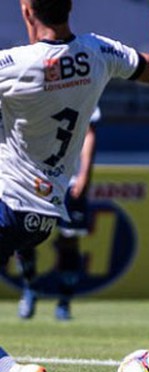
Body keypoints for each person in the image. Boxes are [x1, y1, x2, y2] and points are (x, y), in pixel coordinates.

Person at [0, 0, 149, 372]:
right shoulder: (98, 51)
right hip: (44, 213)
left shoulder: (12, 64)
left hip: (7, 202)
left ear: (27, 9)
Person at [16, 106, 101, 321]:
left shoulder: (85, 80)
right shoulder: (30, 82)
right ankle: (29, 288)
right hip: (33, 177)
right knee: (23, 238)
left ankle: (64, 302)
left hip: (68, 179)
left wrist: (84, 173)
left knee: (69, 239)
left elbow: (89, 133)